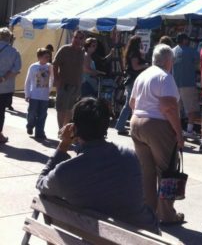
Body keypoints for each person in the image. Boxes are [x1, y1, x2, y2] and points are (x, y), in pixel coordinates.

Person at [36, 97, 159, 233]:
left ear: (74, 129)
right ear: (106, 126)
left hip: (96, 238)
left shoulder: (65, 172)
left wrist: (64, 144)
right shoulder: (130, 157)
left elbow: (41, 183)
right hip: (144, 237)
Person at [130, 44, 184, 225]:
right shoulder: (165, 77)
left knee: (146, 171)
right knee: (166, 171)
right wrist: (179, 133)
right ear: (168, 60)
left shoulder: (143, 75)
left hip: (137, 122)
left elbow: (132, 102)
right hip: (156, 125)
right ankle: (167, 215)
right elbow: (168, 107)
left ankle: (149, 211)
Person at [115, 35, 147, 136]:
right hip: (133, 81)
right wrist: (146, 65)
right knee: (130, 104)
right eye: (140, 42)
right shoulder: (134, 54)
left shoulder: (132, 52)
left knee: (130, 104)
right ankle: (121, 126)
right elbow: (135, 67)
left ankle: (122, 125)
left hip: (132, 80)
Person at [53, 30, 85, 129]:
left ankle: (65, 130)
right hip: (64, 84)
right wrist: (56, 79)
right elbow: (55, 64)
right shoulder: (64, 49)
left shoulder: (82, 52)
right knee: (61, 109)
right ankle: (60, 130)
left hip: (76, 85)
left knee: (70, 110)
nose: (77, 40)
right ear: (72, 37)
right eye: (76, 37)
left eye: (80, 38)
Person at [172, 32, 201, 137]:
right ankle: (189, 131)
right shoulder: (191, 51)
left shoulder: (172, 51)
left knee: (177, 109)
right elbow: (199, 64)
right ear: (184, 40)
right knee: (191, 109)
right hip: (188, 83)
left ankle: (177, 130)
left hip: (175, 84)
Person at [24, 47, 53, 140]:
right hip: (34, 95)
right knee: (32, 113)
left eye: (48, 57)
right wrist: (27, 94)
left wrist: (49, 90)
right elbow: (28, 81)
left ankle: (39, 132)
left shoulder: (49, 66)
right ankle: (30, 125)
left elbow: (52, 79)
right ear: (39, 57)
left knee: (42, 115)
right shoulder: (33, 67)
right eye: (45, 57)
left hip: (44, 96)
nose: (47, 59)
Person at [0, 27, 21, 144]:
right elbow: (16, 69)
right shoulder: (14, 52)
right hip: (5, 87)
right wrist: (3, 78)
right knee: (0, 111)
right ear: (9, 38)